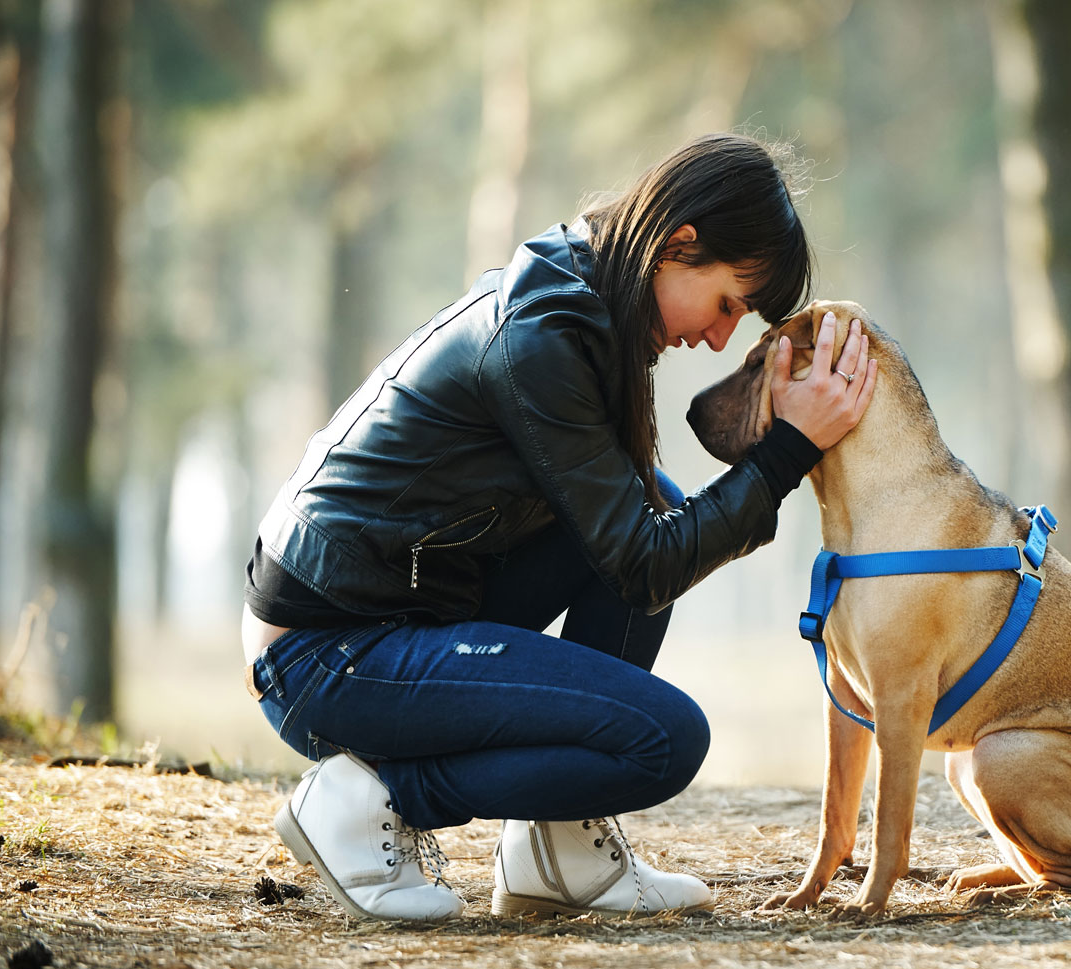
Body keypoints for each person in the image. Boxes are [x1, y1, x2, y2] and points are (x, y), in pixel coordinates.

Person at [240, 132, 877, 921]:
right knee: (664, 739)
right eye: (726, 306)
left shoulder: (586, 300)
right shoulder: (544, 335)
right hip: (327, 656)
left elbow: (635, 544)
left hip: (400, 615)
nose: (718, 339)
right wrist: (787, 452)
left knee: (659, 496)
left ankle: (555, 849)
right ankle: (370, 795)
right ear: (680, 243)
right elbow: (647, 565)